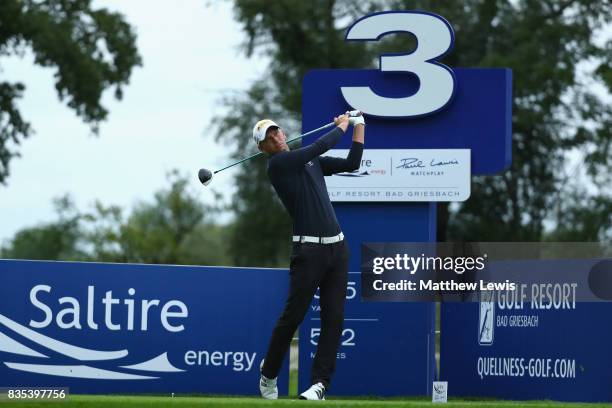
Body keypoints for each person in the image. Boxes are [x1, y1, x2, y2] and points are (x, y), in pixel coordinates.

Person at [252, 112, 365, 400]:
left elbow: (353, 163)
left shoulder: (309, 161)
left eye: (276, 132)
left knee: (334, 318)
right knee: (294, 316)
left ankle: (319, 385)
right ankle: (268, 375)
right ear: (263, 148)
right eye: (268, 137)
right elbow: (318, 147)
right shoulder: (278, 165)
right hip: (308, 251)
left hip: (337, 249)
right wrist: (342, 125)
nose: (276, 137)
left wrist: (359, 126)